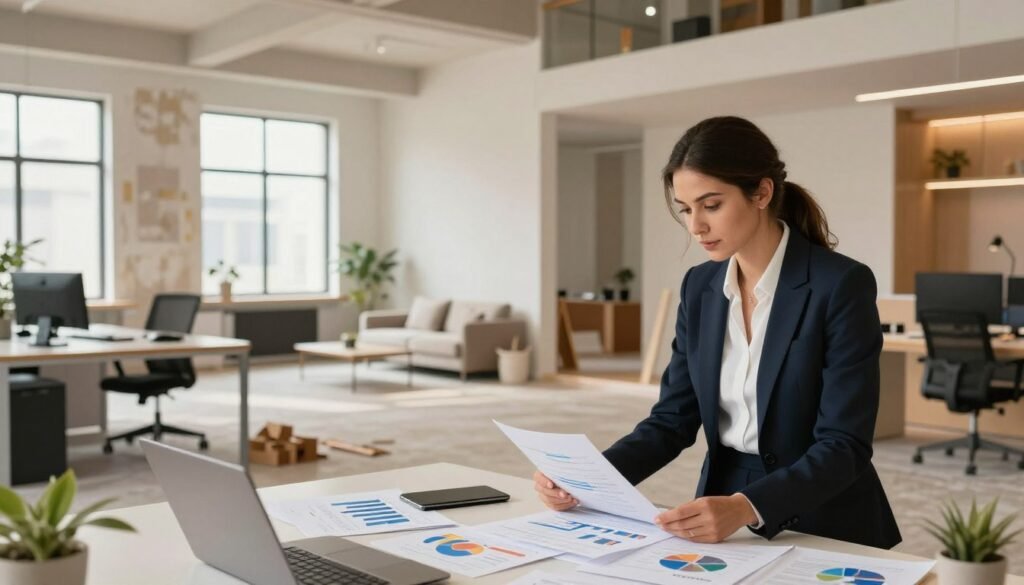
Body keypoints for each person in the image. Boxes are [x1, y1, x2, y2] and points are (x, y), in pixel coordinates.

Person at [534, 116, 901, 549]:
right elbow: (672, 421)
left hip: (823, 512)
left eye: (711, 205)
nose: (696, 226)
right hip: (717, 510)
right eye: (685, 209)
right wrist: (586, 478)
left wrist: (747, 506)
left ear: (762, 193)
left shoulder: (839, 284)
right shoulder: (700, 287)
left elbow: (845, 444)